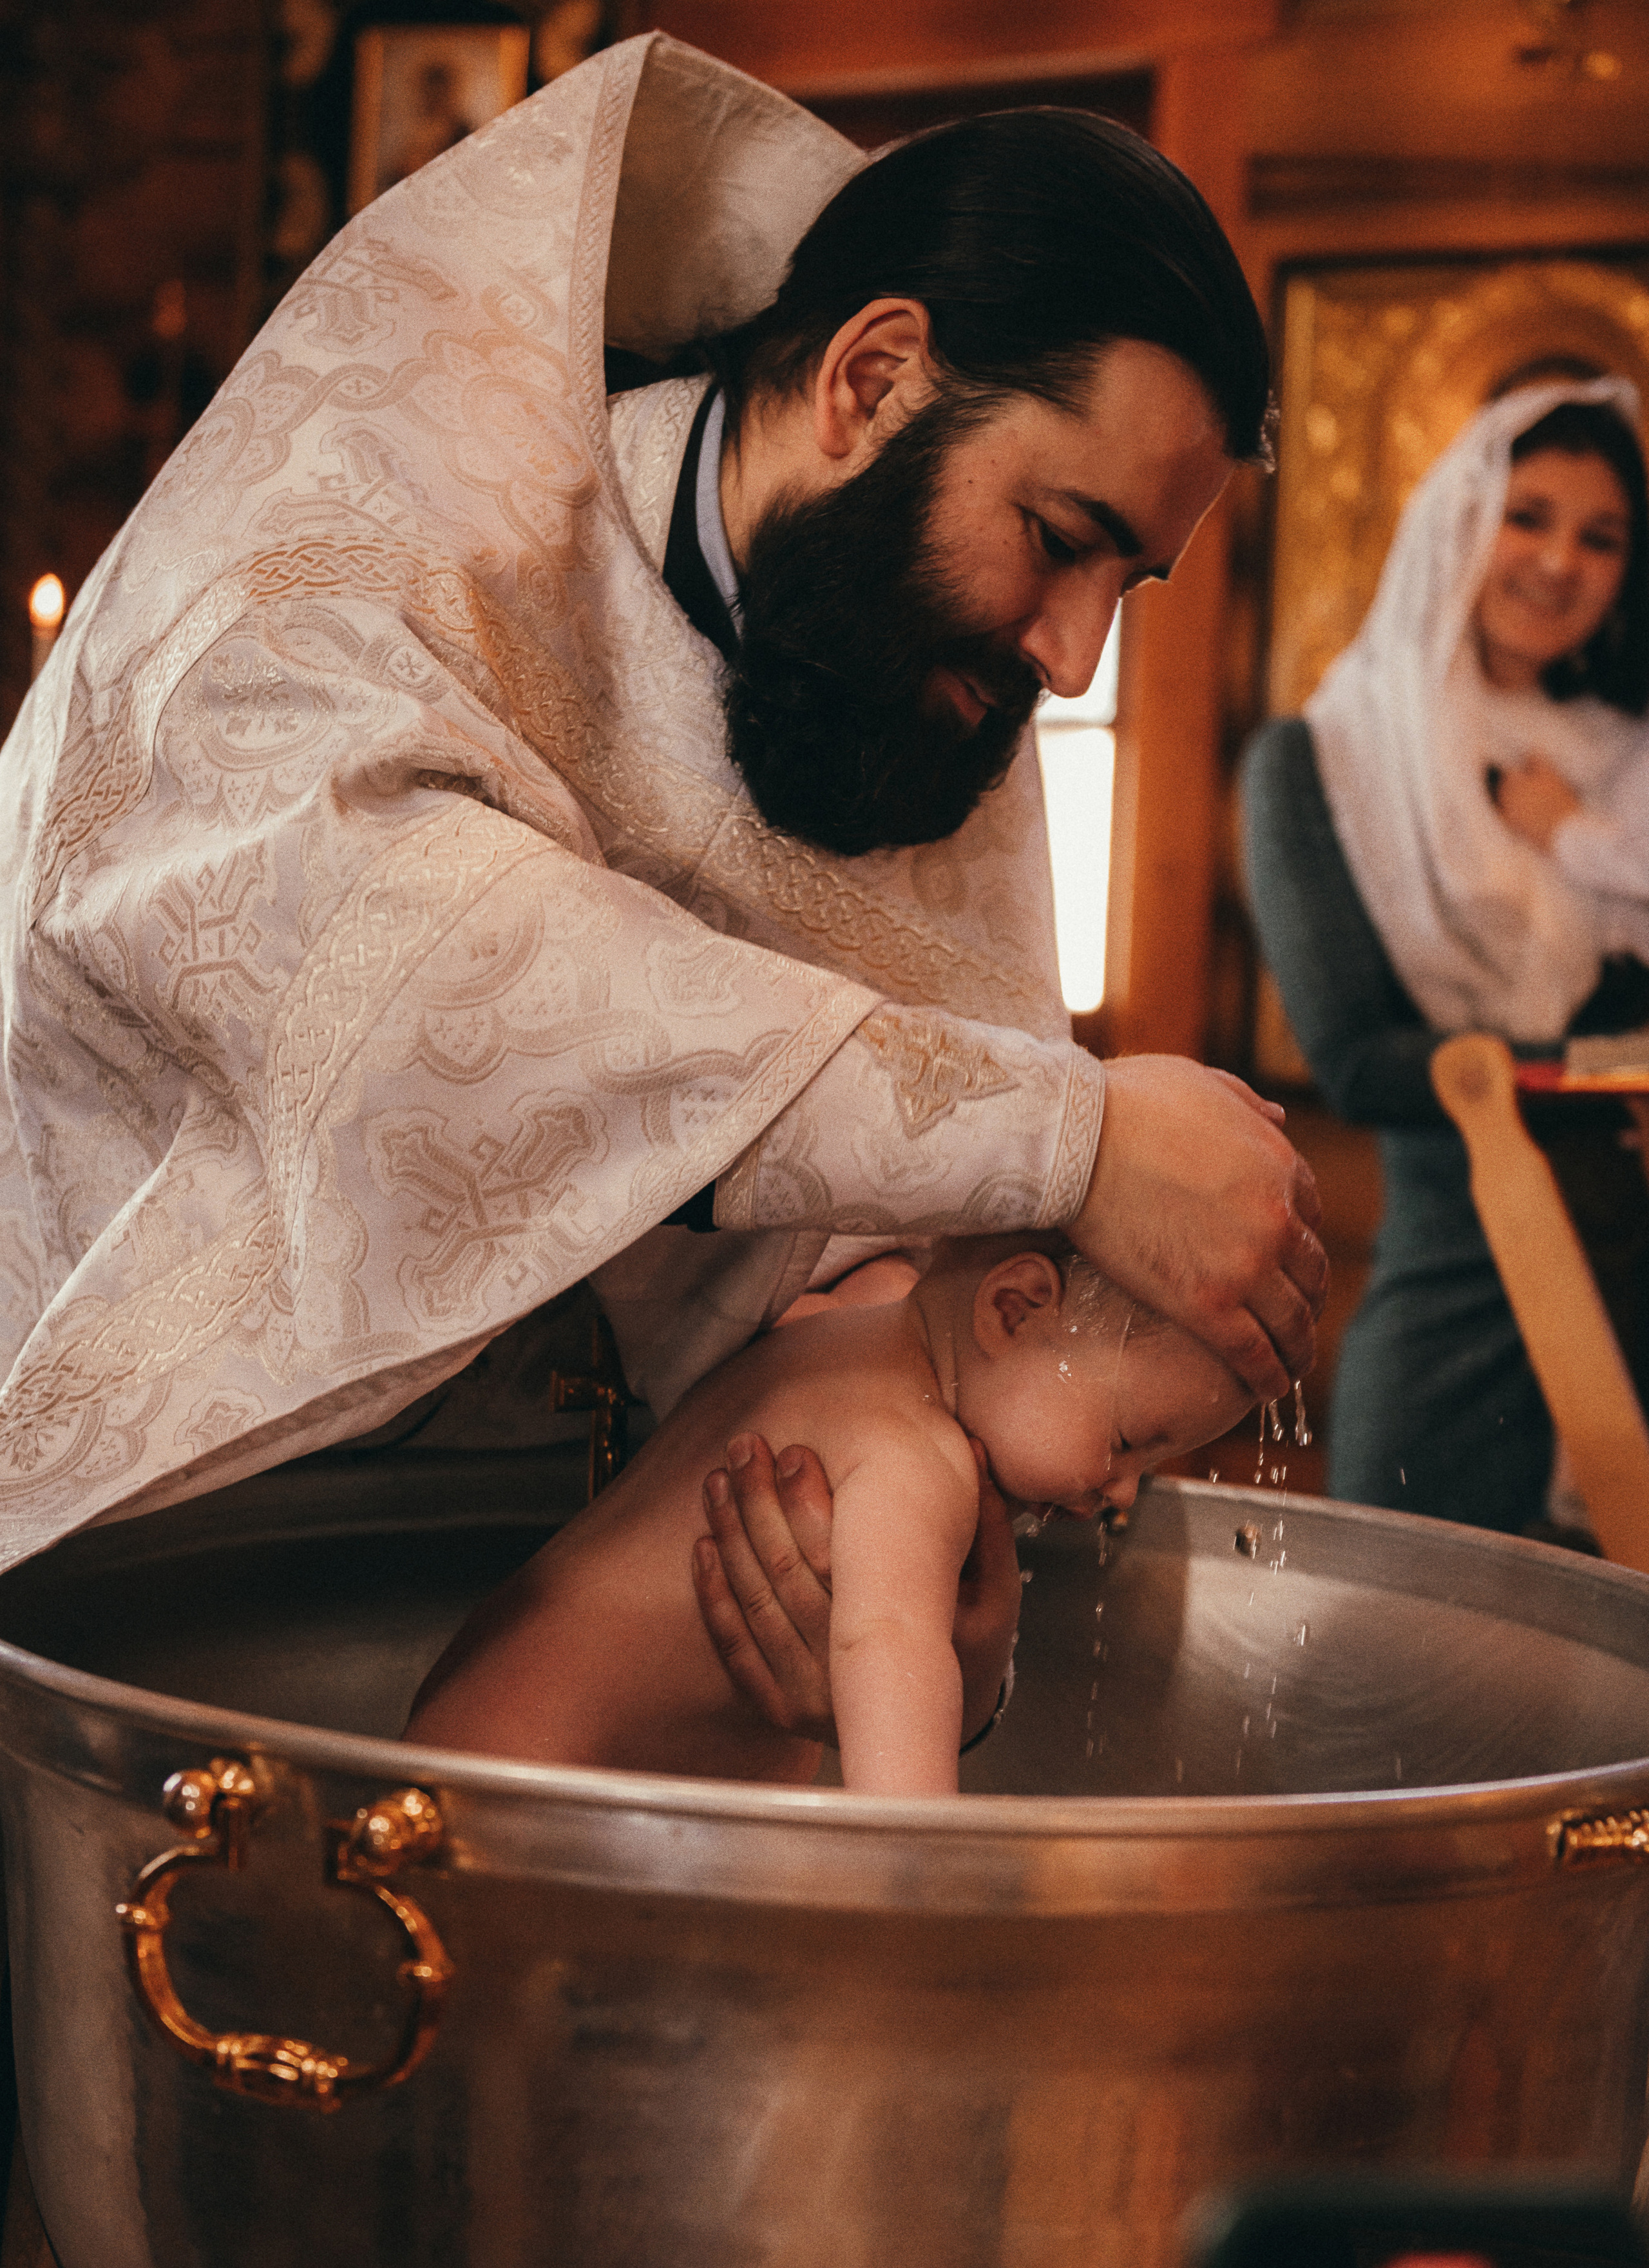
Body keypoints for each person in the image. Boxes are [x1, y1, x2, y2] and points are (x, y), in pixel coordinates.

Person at [0, 34, 1325, 1581]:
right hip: (151, 1558)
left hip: (559, 1585)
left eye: (1126, 584)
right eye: (1055, 536)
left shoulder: (921, 677)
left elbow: (875, 1235)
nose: (1072, 649)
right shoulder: (372, 508)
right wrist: (1074, 1139)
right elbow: (397, 1003)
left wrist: (849, 1410)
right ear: (871, 379)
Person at [404, 1234, 1252, 1792]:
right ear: (1015, 1308)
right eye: (1129, 1439)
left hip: (486, 1736)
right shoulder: (916, 1460)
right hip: (534, 1789)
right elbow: (890, 1667)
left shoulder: (842, 1324)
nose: (1124, 1491)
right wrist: (927, 1908)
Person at [1243, 379, 1649, 1534]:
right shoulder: (1321, 764)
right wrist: (1617, 1069)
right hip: (1460, 1296)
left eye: (1602, 536)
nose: (1560, 560)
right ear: (1458, 515)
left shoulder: (1625, 764)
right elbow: (1361, 1060)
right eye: (1529, 514)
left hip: (1634, 1269)